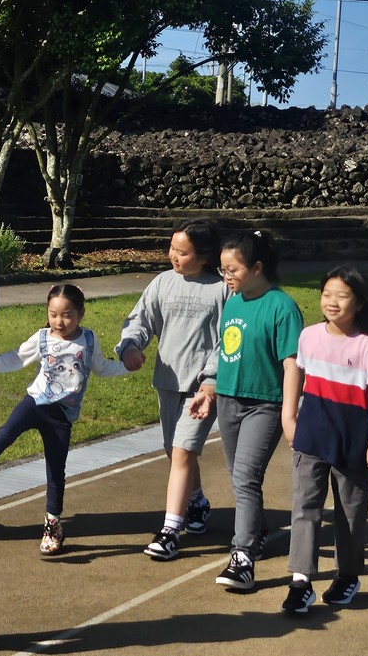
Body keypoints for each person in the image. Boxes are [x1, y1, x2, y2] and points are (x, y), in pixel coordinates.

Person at [190, 229, 303, 591]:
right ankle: (256, 530)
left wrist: (289, 414)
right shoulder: (234, 302)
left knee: (246, 478)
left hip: (265, 404)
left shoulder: (281, 307)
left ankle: (242, 558)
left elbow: (292, 365)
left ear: (257, 267)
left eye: (232, 270)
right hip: (229, 399)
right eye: (223, 270)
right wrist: (210, 389)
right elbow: (226, 351)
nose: (226, 277)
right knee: (238, 476)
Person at [114, 219, 230, 561]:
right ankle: (197, 502)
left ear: (205, 255)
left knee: (182, 451)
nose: (173, 256)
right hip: (168, 382)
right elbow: (140, 320)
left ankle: (169, 530)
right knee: (174, 450)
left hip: (202, 389)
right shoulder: (163, 282)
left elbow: (229, 339)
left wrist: (211, 380)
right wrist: (130, 346)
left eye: (182, 251)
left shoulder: (222, 288)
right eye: (172, 248)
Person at [281, 265, 368, 614]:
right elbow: (295, 375)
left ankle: (347, 575)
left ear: (359, 303)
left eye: (342, 296)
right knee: (305, 509)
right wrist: (289, 417)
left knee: (350, 514)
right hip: (311, 437)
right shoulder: (309, 336)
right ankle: (301, 581)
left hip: (354, 444)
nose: (332, 302)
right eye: (326, 294)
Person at [0, 283, 131, 555]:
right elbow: (15, 359)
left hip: (62, 415)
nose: (59, 321)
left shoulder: (88, 339)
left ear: (81, 313)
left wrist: (126, 367)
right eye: (53, 314)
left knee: (55, 470)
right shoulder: (42, 338)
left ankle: (53, 525)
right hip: (34, 404)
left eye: (66, 315)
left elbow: (100, 368)